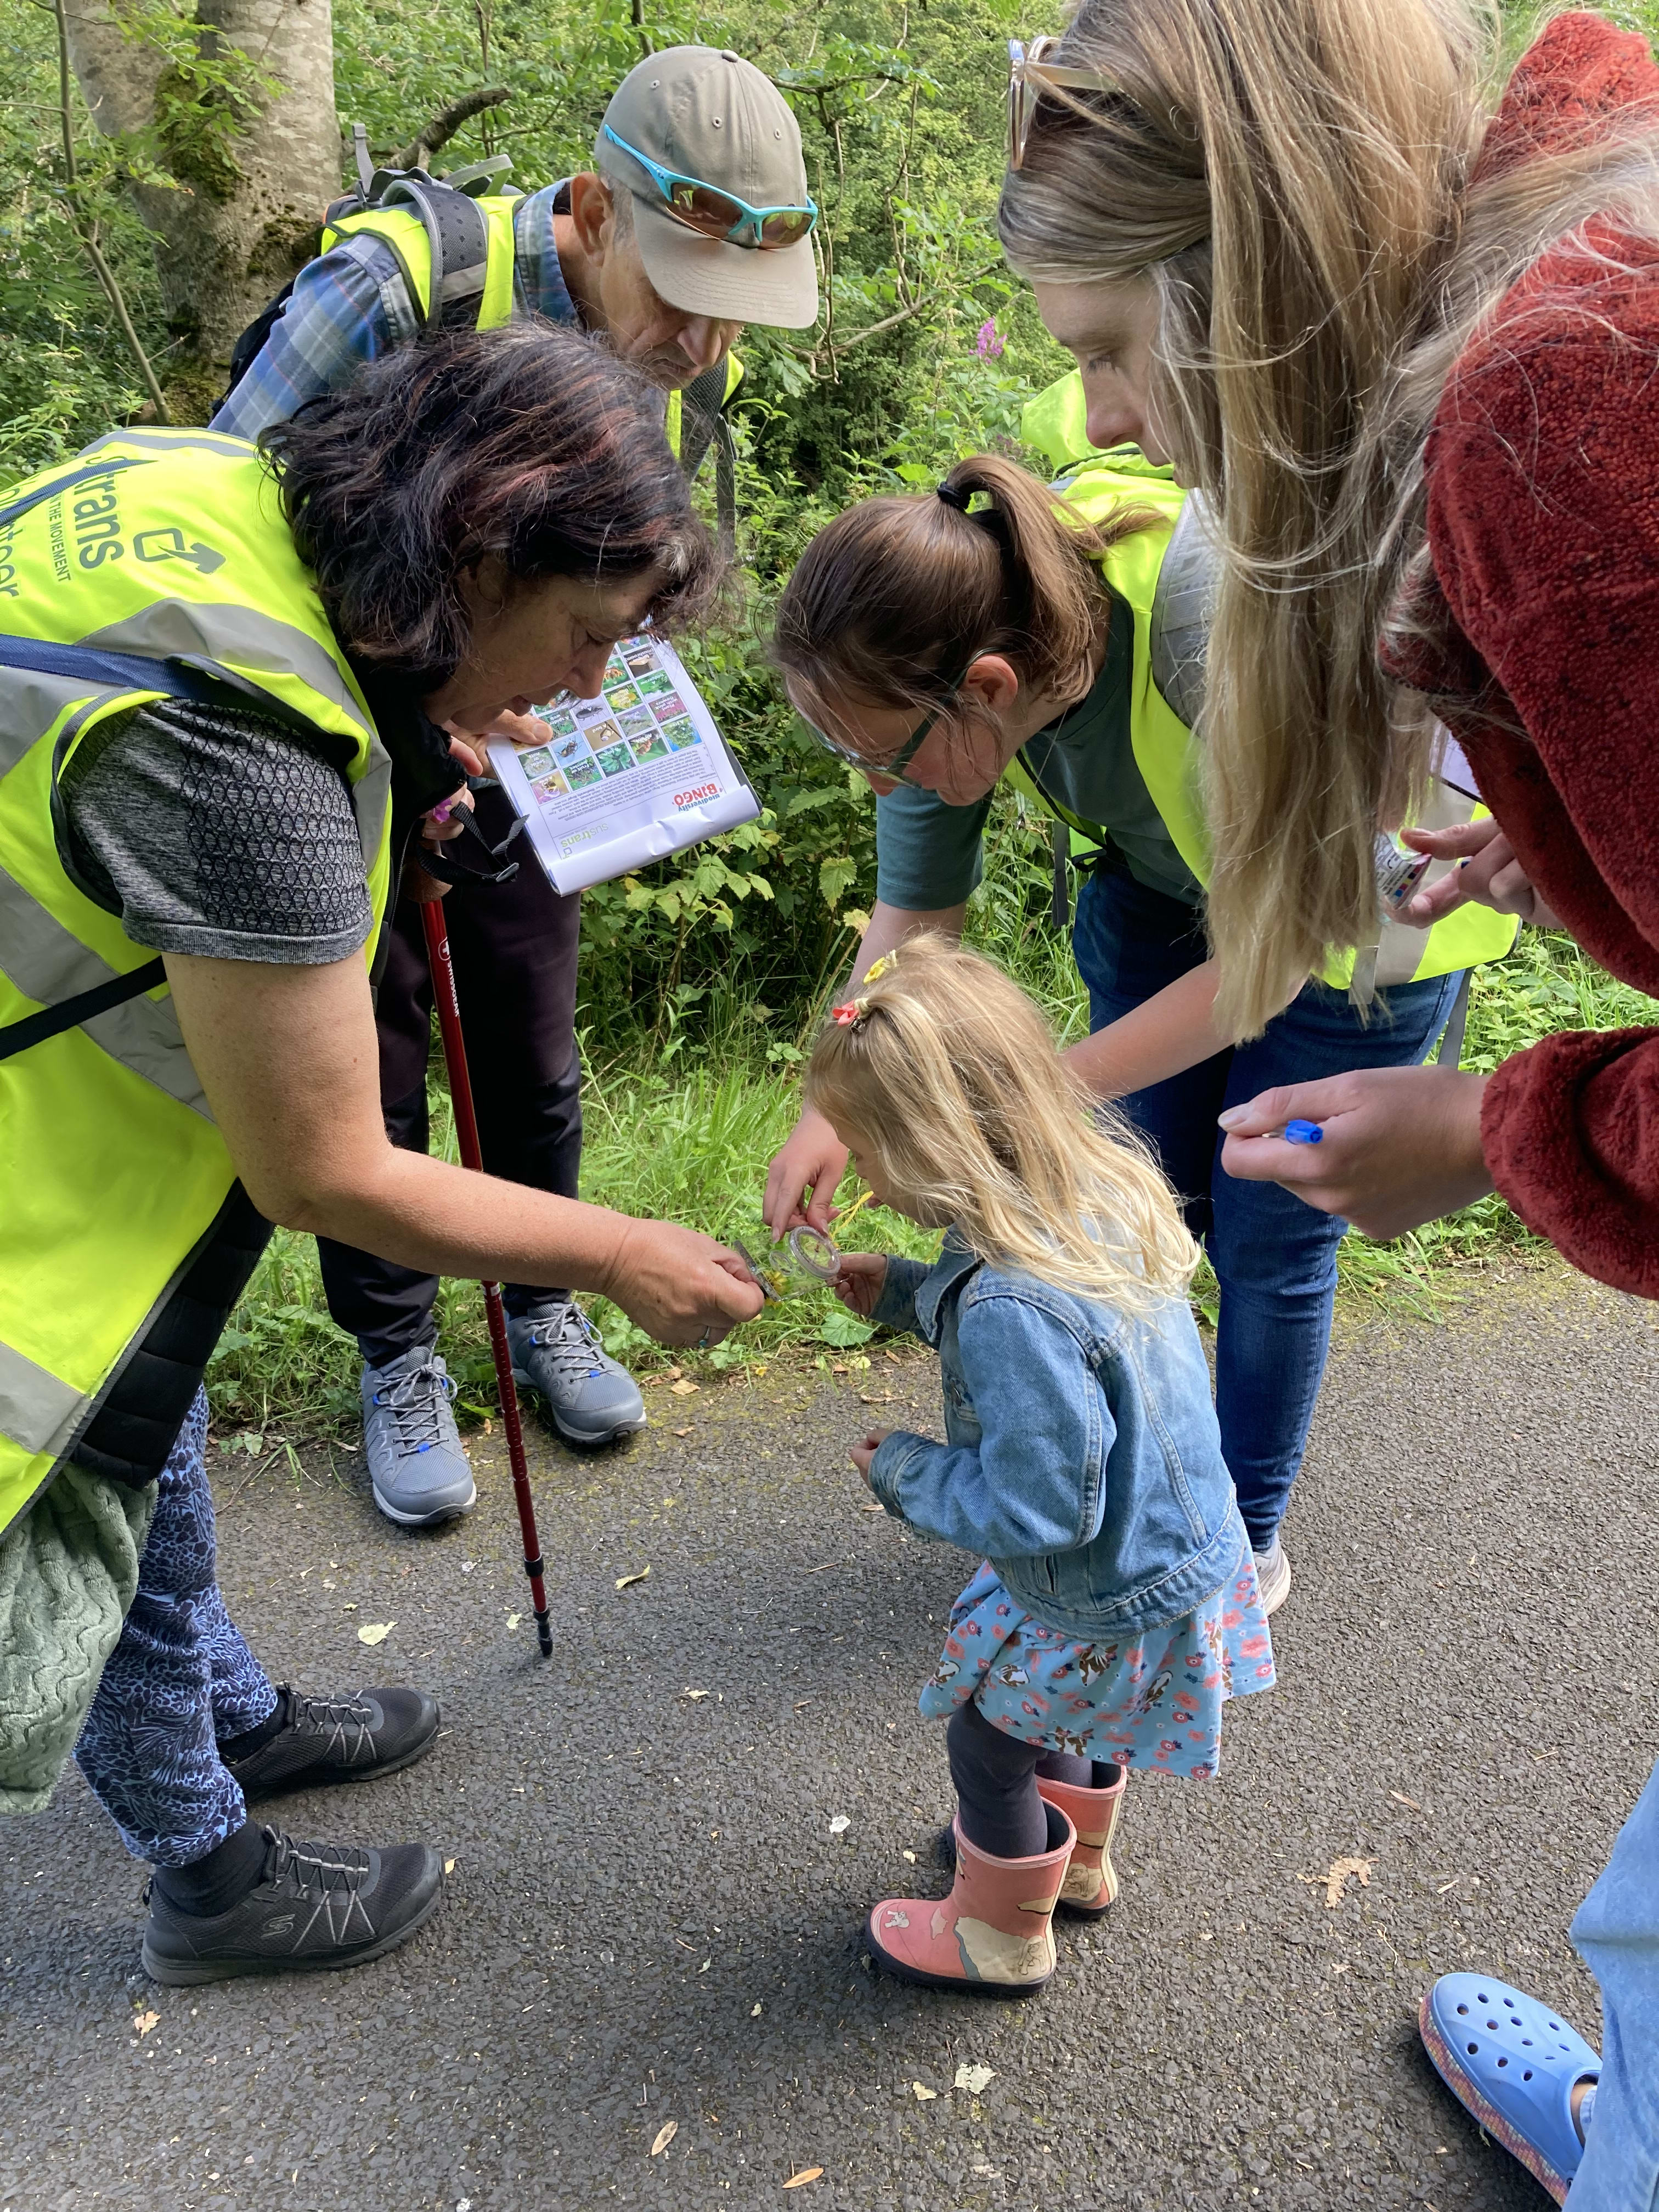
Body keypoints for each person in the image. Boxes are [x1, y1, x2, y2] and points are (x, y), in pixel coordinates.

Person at [997, 2, 1659, 2199]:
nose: (1101, 416)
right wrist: (1564, 817)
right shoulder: (1575, 216)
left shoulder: (1549, 417)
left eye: (1111, 345)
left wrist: (1499, 1134)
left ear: (1241, 283)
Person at [0, 323, 763, 1984]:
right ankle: (208, 1877)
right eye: (581, 638)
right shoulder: (239, 754)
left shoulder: (213, 494)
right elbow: (326, 1173)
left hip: (69, 1085)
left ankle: (240, 1710)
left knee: (165, 1433)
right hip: (33, 1192)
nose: (584, 691)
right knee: (89, 1471)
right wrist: (618, 1254)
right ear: (477, 548)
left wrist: (406, 736)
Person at [215, 46, 819, 1518]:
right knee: (380, 1061)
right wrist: (409, 724)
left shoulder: (671, 350)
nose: (698, 346)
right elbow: (231, 520)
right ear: (593, 210)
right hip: (343, 756)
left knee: (533, 1045)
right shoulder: (399, 286)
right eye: (680, 297)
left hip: (528, 749)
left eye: (732, 317)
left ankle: (541, 1296)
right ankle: (399, 1348)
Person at [763, 450, 1512, 1612]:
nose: (874, 785)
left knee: (1270, 1230)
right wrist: (829, 1108)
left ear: (994, 686)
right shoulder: (920, 673)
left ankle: (1231, 1542)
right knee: (1122, 1197)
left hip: (1357, 928)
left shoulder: (1204, 638)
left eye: (882, 757)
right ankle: (1111, 1487)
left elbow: (1266, 962)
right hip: (1175, 893)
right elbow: (915, 915)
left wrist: (1028, 1092)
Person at [802, 936, 1273, 1995]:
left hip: (1097, 1582)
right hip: (1175, 1546)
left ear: (932, 1148)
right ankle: (1076, 1863)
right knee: (1075, 1716)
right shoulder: (1087, 1188)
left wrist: (910, 1472)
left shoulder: (1013, 1305)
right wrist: (906, 1293)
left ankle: (1000, 1933)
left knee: (987, 1744)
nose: (866, 1180)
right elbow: (1063, 1343)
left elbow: (1042, 1503)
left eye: (869, 1153)